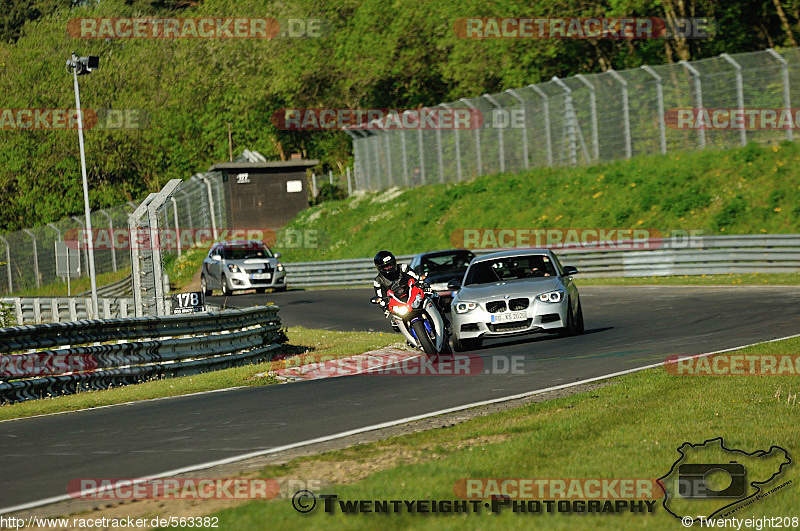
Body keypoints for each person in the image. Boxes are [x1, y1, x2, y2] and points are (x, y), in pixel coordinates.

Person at [373, 250, 426, 318]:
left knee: (429, 299)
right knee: (394, 320)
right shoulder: (378, 281)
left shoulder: (403, 268)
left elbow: (416, 277)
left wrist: (421, 282)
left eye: (390, 265)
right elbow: (380, 297)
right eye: (386, 266)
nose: (389, 268)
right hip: (396, 303)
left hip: (411, 294)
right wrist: (384, 306)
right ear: (380, 268)